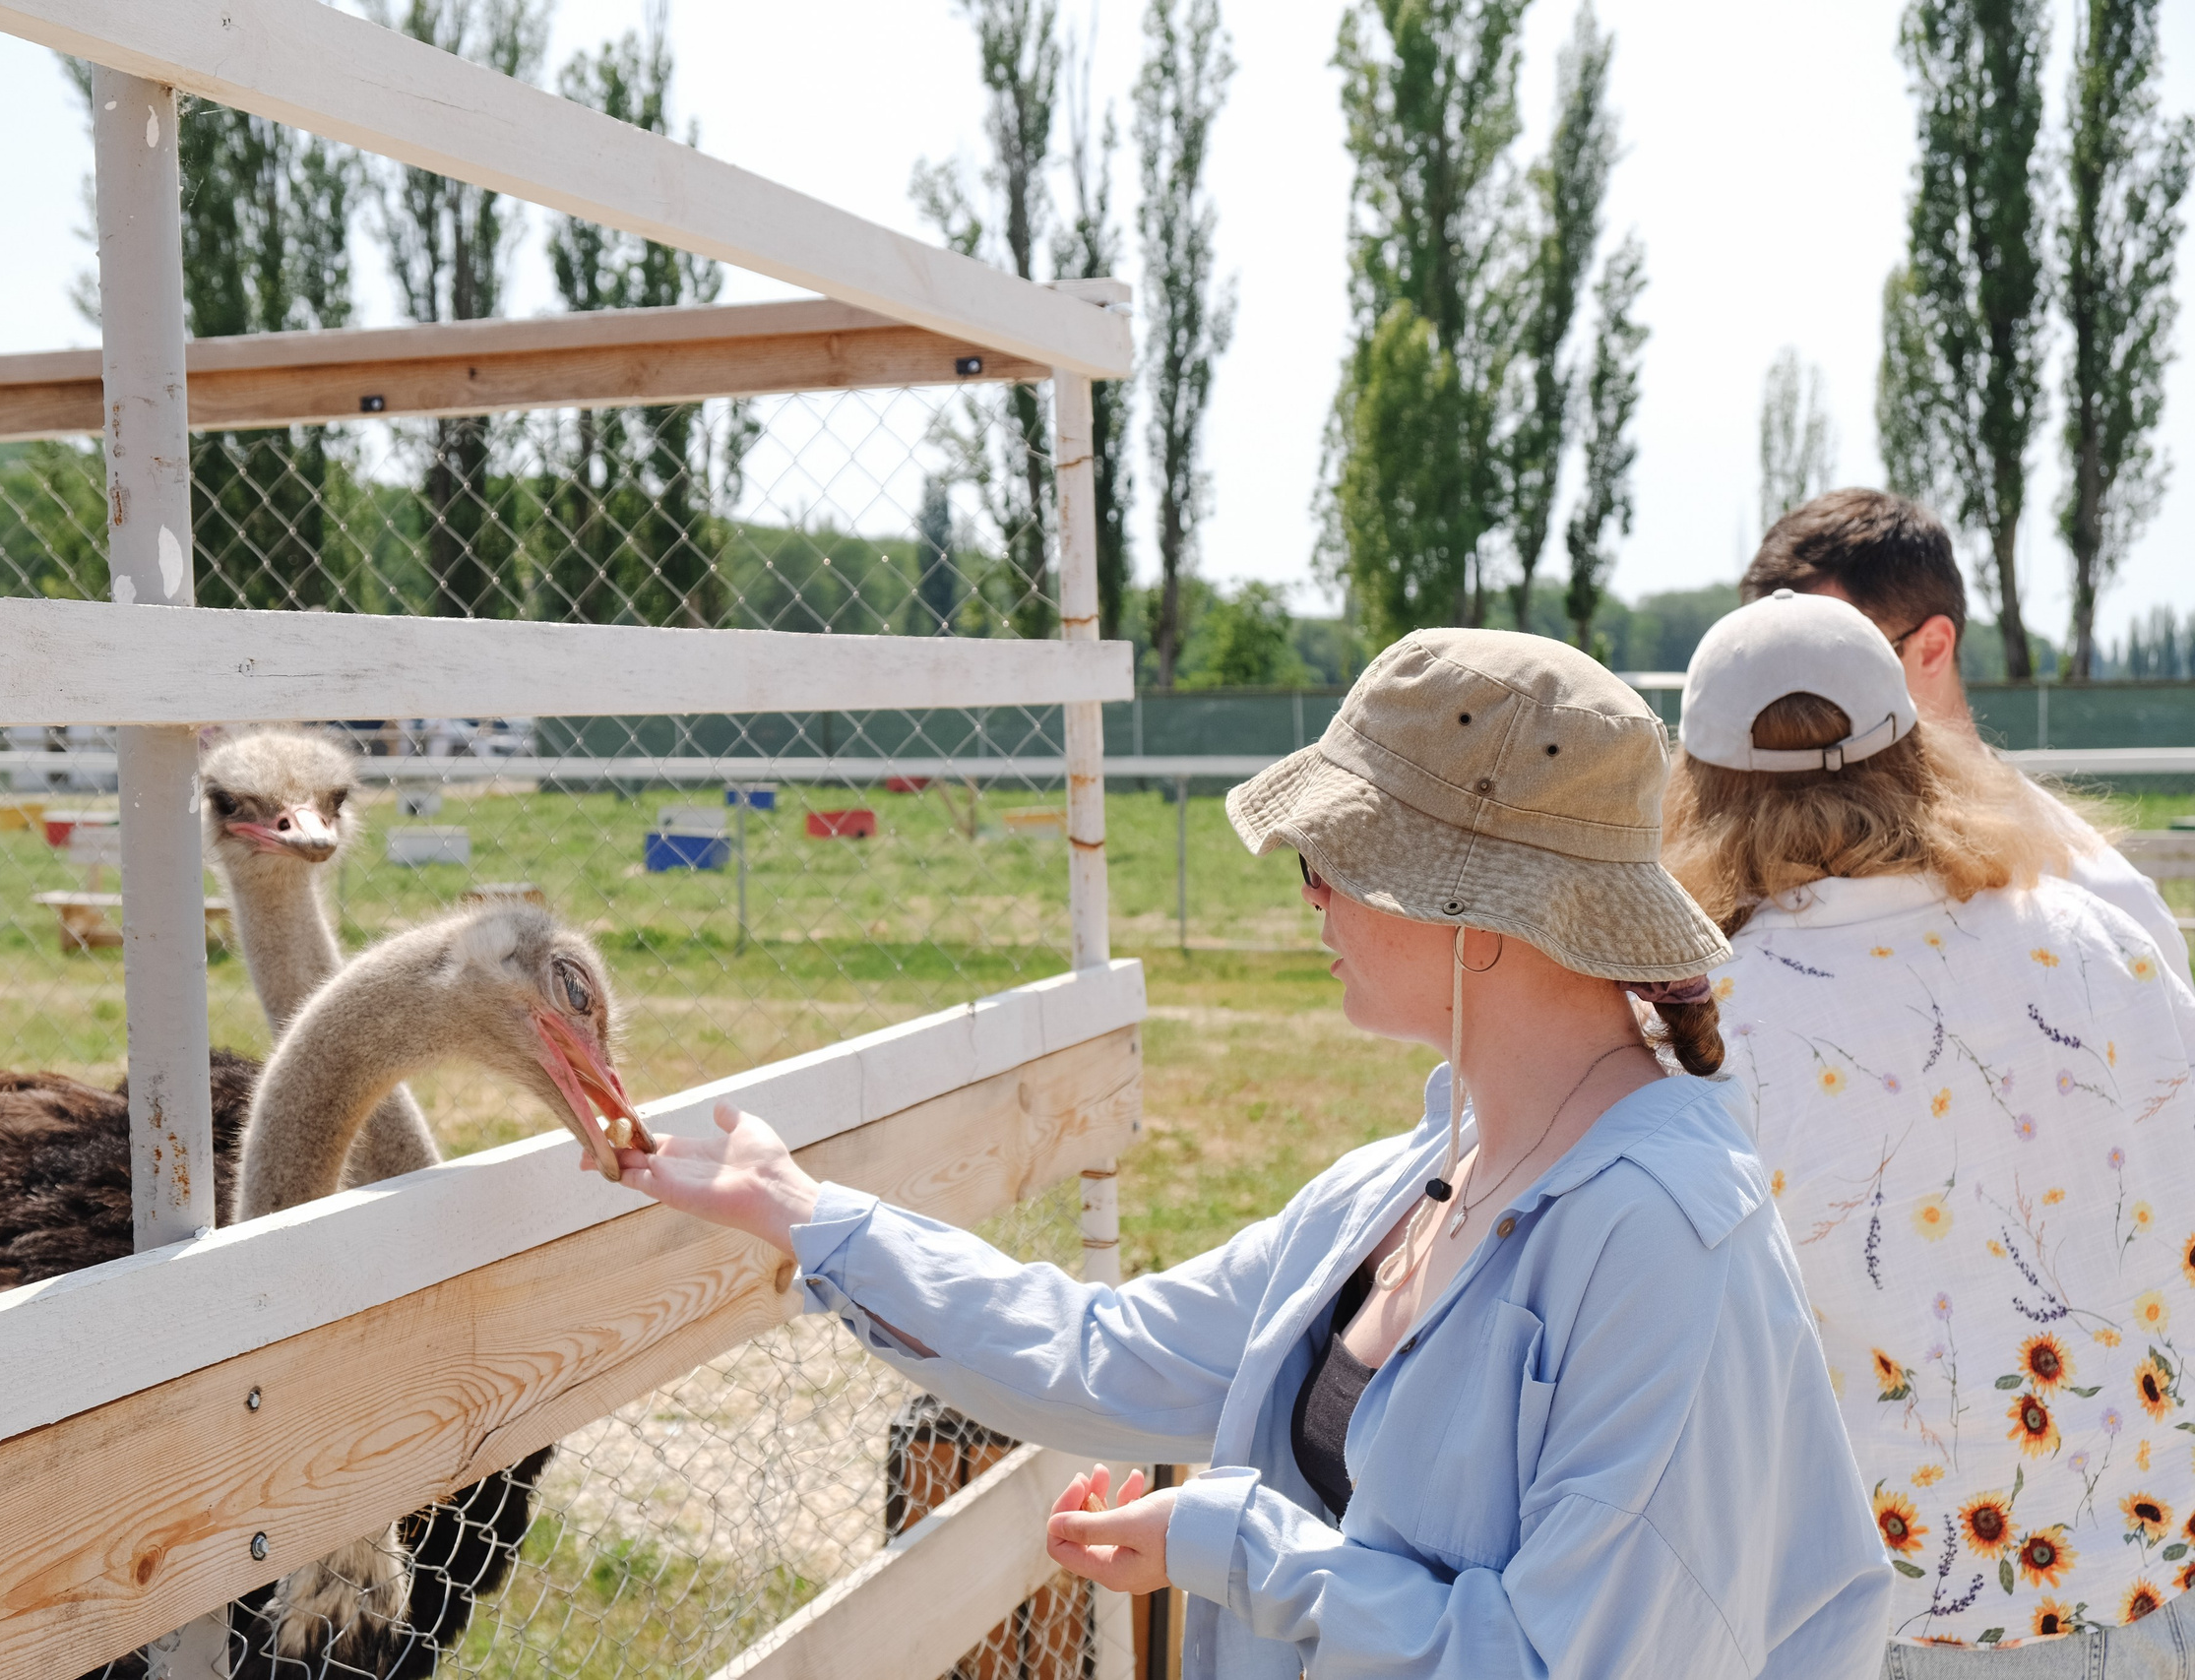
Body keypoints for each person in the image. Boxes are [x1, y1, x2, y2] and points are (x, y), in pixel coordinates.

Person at [599, 629, 1891, 1678]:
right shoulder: (1413, 1177)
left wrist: (1236, 1541)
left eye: (1333, 854)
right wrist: (805, 1213)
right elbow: (1097, 1350)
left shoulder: (1664, 1235)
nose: (1309, 886)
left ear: (1474, 907)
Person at [1662, 589, 2195, 1667]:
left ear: (1699, 786)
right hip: (2147, 1597)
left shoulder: (1702, 1029)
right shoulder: (2100, 938)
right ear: (1914, 746)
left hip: (1876, 1626)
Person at [1740, 488, 2188, 976]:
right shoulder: (1726, 889)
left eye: (1827, 660)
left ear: (1931, 648)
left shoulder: (2103, 901)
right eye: (1761, 670)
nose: (1785, 708)